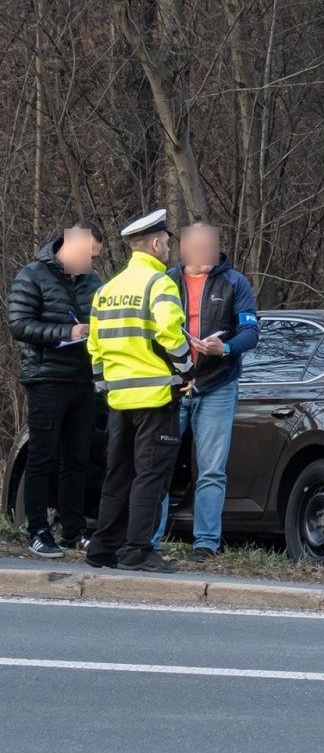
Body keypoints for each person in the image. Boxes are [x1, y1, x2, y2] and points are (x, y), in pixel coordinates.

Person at [85, 210, 192, 573]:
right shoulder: (159, 284)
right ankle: (137, 550)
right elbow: (170, 334)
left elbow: (95, 347)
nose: (169, 249)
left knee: (118, 474)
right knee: (151, 476)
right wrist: (186, 370)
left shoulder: (106, 290)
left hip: (119, 398)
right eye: (167, 243)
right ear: (157, 243)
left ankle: (103, 548)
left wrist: (104, 384)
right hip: (155, 397)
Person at [152, 223, 258, 561]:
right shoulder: (165, 281)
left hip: (217, 385)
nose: (208, 253)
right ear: (184, 249)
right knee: (159, 464)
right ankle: (149, 539)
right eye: (200, 246)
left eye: (212, 246)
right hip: (173, 386)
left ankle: (206, 543)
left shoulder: (234, 282)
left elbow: (251, 333)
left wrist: (223, 349)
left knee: (211, 468)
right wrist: (173, 370)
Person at [6, 221, 104, 557]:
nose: (91, 264)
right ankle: (37, 530)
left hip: (84, 379)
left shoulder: (92, 281)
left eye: (94, 258)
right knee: (42, 457)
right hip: (46, 378)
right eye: (88, 255)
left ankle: (74, 531)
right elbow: (19, 324)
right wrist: (67, 332)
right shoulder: (31, 275)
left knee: (78, 459)